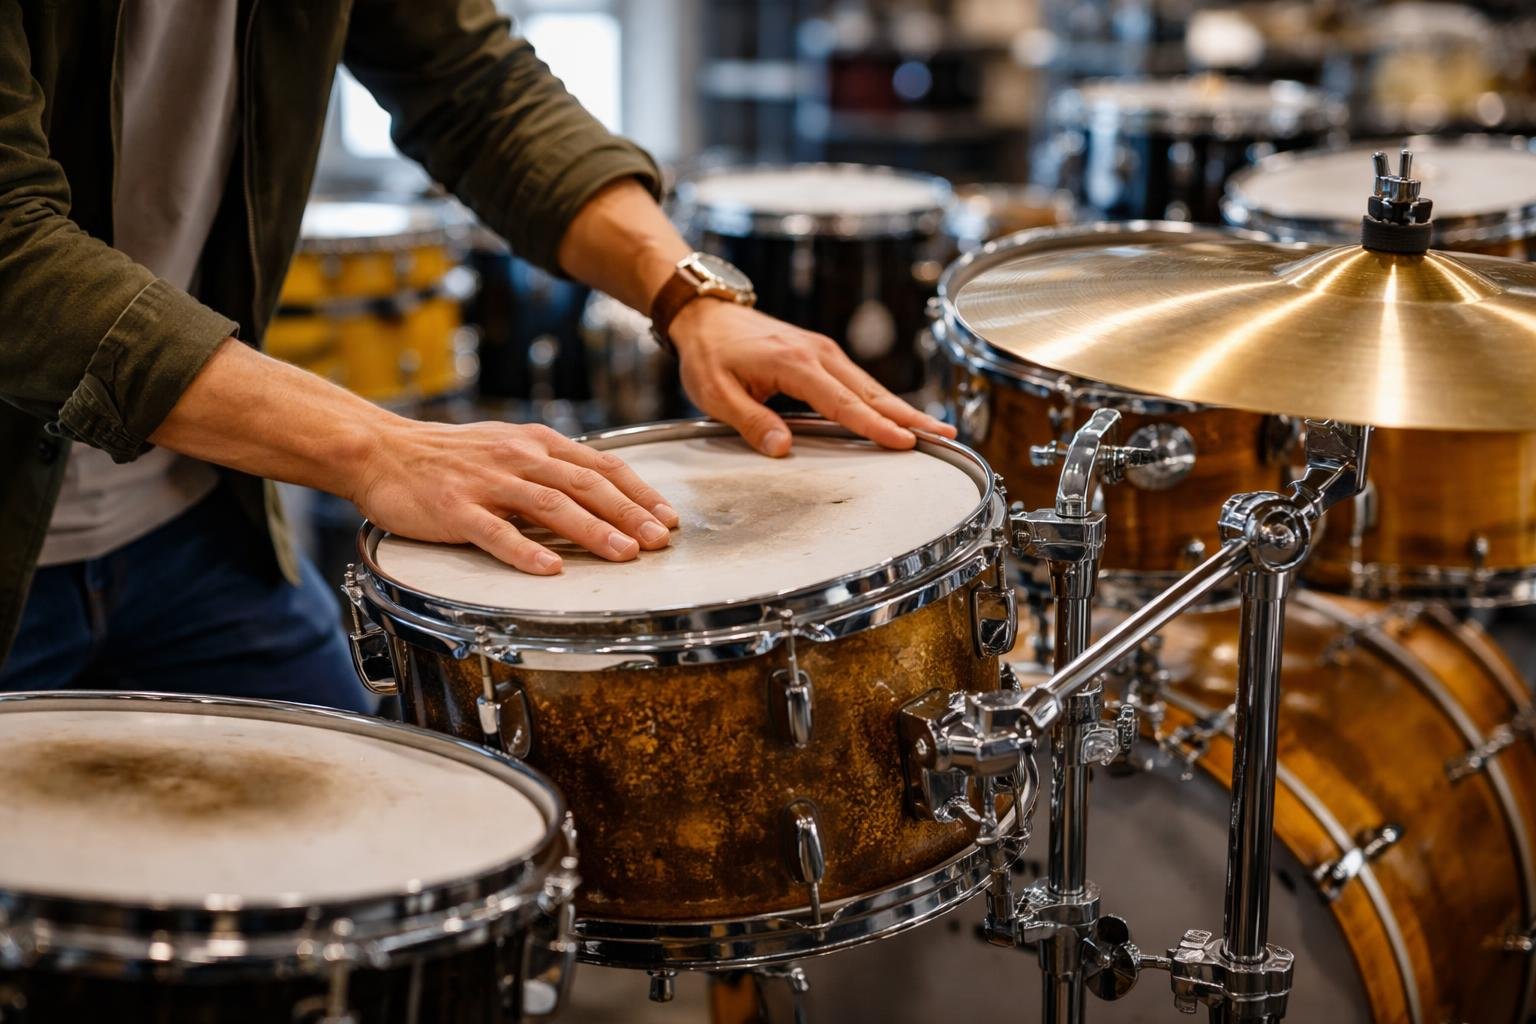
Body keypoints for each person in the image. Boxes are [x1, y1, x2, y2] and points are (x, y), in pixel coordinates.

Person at [0, 2, 953, 708]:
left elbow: (476, 91)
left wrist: (686, 291)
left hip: (192, 527)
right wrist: (380, 447)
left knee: (374, 914)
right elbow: (13, 250)